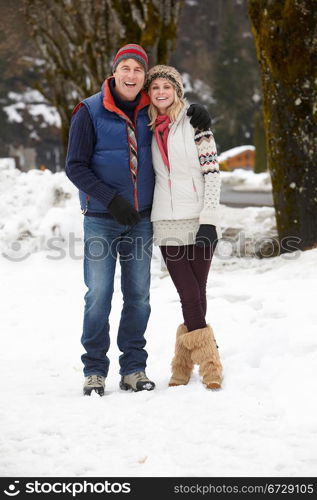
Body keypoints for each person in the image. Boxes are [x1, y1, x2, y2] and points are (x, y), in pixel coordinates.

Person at [65, 44, 212, 396]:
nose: (131, 75)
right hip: (102, 217)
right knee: (98, 294)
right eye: (125, 68)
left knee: (139, 296)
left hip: (142, 220)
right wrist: (109, 199)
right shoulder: (89, 111)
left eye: (138, 70)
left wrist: (198, 112)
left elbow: (175, 111)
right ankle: (95, 370)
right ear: (114, 71)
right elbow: (75, 166)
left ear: (144, 77)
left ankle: (133, 367)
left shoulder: (150, 108)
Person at [145, 65, 223, 390]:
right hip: (165, 219)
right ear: (149, 94)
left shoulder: (196, 123)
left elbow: (212, 173)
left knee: (198, 293)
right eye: (155, 88)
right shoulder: (146, 127)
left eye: (167, 86)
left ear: (177, 90)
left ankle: (182, 362)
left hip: (198, 216)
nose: (161, 92)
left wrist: (210, 220)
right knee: (188, 292)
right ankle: (210, 364)